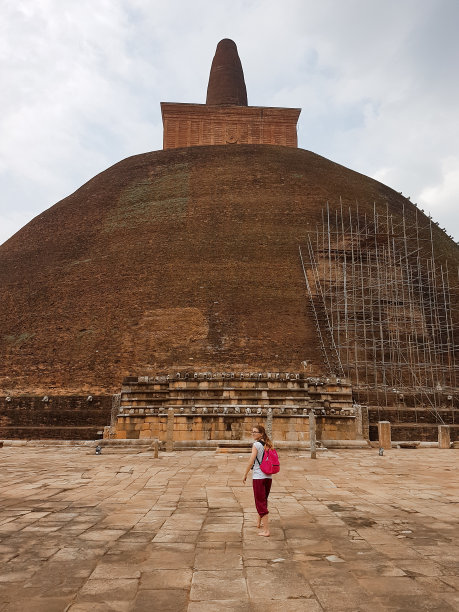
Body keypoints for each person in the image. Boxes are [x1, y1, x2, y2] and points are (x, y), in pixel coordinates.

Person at [242, 424, 273, 537]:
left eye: (255, 432)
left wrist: (245, 474)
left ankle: (266, 531)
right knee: (263, 500)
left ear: (261, 434)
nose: (253, 433)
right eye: (252, 431)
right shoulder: (268, 444)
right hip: (268, 477)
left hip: (259, 477)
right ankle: (259, 522)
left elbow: (251, 461)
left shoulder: (256, 445)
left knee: (260, 503)